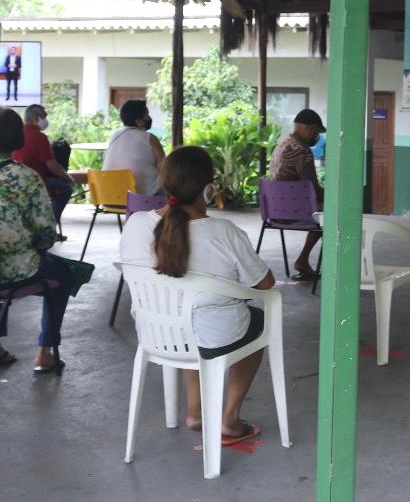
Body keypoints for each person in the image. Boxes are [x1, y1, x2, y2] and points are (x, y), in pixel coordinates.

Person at [120, 145, 275, 443]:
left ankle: (195, 413)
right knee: (259, 323)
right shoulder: (224, 232)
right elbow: (265, 284)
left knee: (187, 317)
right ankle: (229, 420)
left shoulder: (137, 223)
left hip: (158, 334)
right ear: (208, 189)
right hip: (213, 335)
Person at [0, 107, 73, 372]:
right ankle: (44, 351)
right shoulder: (26, 178)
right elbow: (46, 236)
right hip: (19, 268)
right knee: (64, 276)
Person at [268, 108, 325, 282]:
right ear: (310, 129)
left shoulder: (281, 145)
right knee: (329, 216)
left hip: (273, 211)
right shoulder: (302, 151)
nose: (316, 136)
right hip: (293, 212)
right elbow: (312, 191)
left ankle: (303, 261)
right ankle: (304, 261)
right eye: (316, 131)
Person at [13, 104, 75, 227]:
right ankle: (50, 224)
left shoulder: (16, 133)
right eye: (44, 117)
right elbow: (52, 165)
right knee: (66, 188)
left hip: (16, 178)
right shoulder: (39, 137)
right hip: (36, 180)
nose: (46, 120)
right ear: (36, 118)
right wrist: (68, 178)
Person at [103, 98, 165, 195]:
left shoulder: (114, 136)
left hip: (109, 197)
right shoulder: (149, 138)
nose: (149, 118)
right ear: (139, 121)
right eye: (147, 115)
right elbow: (165, 167)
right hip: (141, 199)